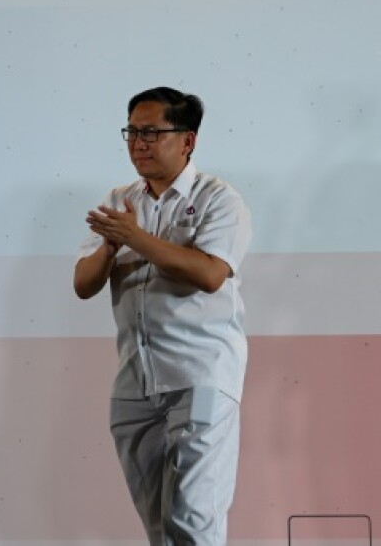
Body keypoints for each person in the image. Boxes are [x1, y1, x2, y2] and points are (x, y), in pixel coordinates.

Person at [74, 87, 252, 546]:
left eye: (151, 132)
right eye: (131, 131)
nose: (138, 142)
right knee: (160, 527)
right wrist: (112, 245)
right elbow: (83, 284)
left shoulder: (218, 199)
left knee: (195, 520)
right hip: (136, 384)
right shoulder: (120, 198)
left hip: (200, 376)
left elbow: (211, 274)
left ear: (187, 140)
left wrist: (134, 236)